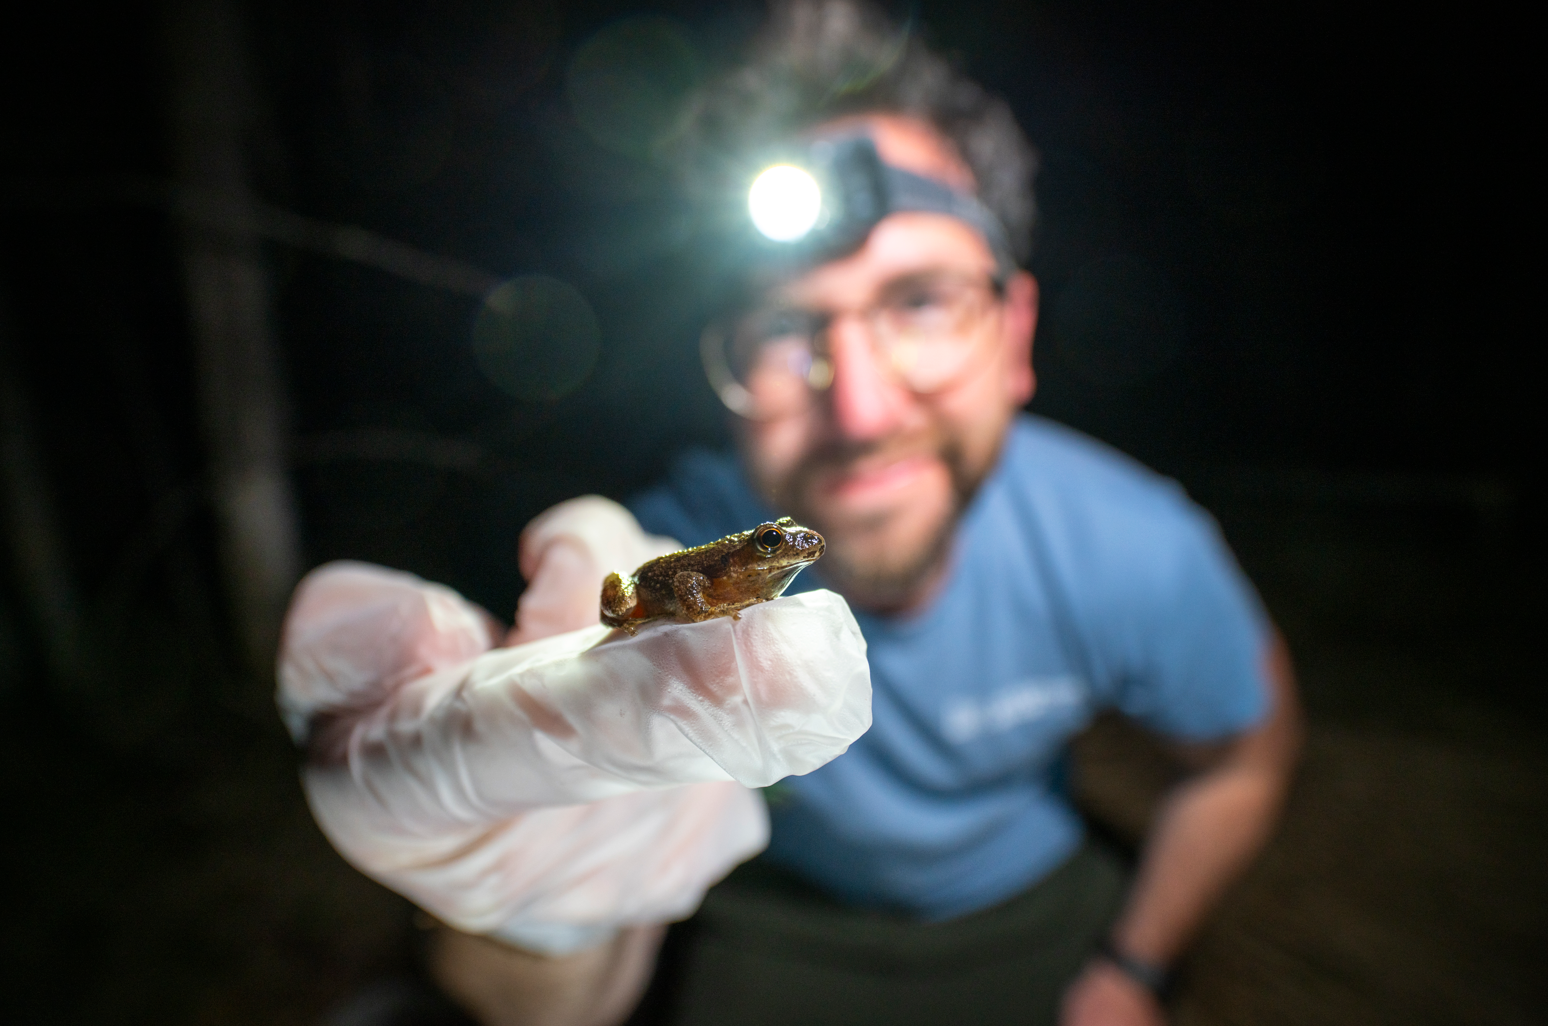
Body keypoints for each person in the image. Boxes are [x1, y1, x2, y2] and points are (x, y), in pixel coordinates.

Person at [277, 3, 1301, 1025]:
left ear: (1016, 332)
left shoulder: (1132, 546)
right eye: (785, 327)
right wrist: (533, 904)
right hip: (769, 922)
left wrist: (1136, 968)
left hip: (1031, 911)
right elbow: (549, 1002)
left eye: (921, 301)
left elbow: (1246, 758)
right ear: (722, 365)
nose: (859, 408)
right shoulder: (665, 533)